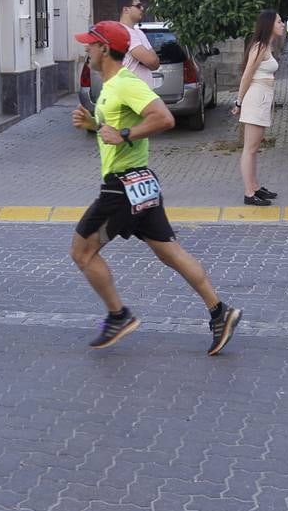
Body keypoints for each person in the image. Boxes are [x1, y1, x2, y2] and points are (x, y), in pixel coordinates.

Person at [69, 21, 243, 355]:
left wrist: (122, 135)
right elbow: (120, 126)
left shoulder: (124, 83)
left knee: (81, 252)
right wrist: (97, 125)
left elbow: (164, 118)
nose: (85, 49)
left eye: (90, 44)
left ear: (105, 49)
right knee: (170, 252)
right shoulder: (111, 85)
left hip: (121, 188)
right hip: (141, 184)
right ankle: (221, 312)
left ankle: (118, 315)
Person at [231, 10, 283, 206]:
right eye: (279, 21)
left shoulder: (266, 45)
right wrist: (238, 102)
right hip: (255, 98)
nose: (282, 24)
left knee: (254, 147)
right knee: (250, 149)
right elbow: (246, 75)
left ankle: (255, 186)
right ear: (269, 24)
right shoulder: (260, 47)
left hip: (262, 97)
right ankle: (249, 192)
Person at [116, 0, 160, 88]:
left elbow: (155, 64)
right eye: (138, 6)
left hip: (142, 96)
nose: (142, 8)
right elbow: (152, 61)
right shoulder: (124, 32)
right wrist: (150, 57)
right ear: (126, 9)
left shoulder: (138, 32)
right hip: (130, 95)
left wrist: (151, 59)